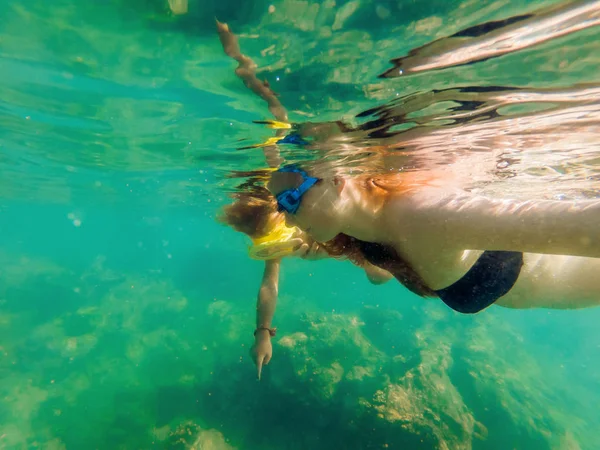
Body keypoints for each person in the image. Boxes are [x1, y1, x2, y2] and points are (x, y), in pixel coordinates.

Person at [266, 163, 600, 313]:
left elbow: (583, 226)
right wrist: (334, 255)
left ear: (337, 177)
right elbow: (383, 275)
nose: (283, 215)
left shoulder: (422, 214)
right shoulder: (363, 233)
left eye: (290, 199)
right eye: (279, 205)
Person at [218, 183, 392, 379]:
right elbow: (269, 282)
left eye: (277, 236)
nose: (277, 248)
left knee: (376, 277)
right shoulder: (274, 228)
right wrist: (262, 332)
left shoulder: (321, 208)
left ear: (289, 214)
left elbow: (382, 273)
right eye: (264, 243)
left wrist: (332, 250)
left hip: (378, 222)